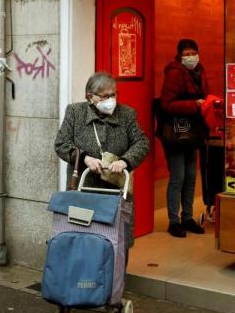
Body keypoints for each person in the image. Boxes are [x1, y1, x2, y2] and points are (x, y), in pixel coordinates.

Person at [54, 71, 149, 245]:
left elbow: (142, 143)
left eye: (113, 95)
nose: (110, 100)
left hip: (116, 190)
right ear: (90, 96)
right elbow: (61, 143)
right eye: (105, 96)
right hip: (85, 188)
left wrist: (125, 161)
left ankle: (117, 272)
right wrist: (84, 158)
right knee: (84, 237)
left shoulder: (127, 114)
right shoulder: (75, 112)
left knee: (116, 239)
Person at [159, 39, 209, 238]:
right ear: (179, 55)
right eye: (186, 54)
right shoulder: (174, 72)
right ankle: (174, 221)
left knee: (190, 177)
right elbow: (166, 104)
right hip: (176, 133)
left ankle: (187, 217)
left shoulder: (200, 71)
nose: (190, 57)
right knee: (178, 177)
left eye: (193, 52)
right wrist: (194, 105)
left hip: (194, 131)